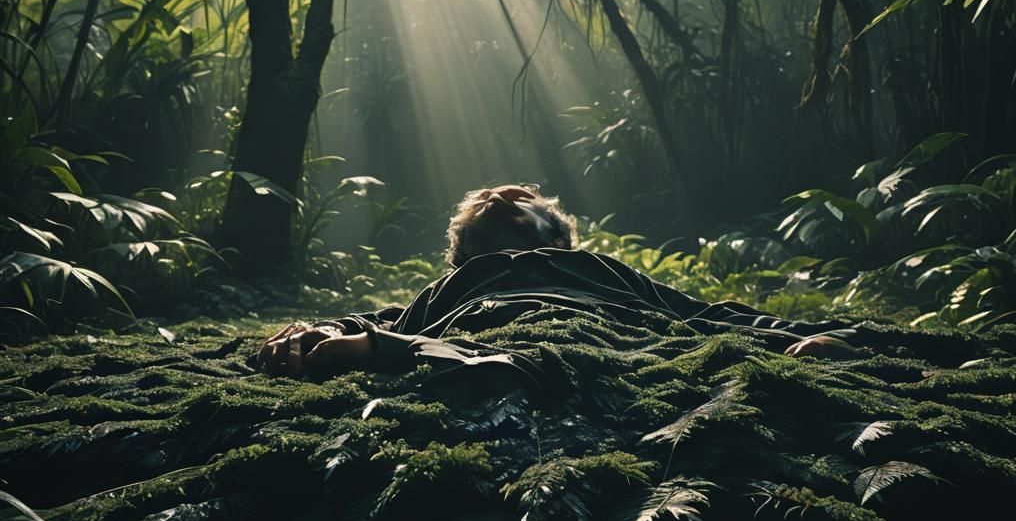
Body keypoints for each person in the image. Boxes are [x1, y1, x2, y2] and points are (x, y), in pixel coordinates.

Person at [255, 185, 856, 383]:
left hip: (613, 330)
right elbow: (392, 316)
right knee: (453, 347)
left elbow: (699, 312)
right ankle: (407, 358)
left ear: (557, 237)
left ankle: (402, 359)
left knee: (654, 345)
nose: (510, 210)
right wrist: (325, 332)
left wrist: (785, 337)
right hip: (476, 328)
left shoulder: (596, 268)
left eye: (525, 214)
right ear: (469, 251)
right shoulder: (463, 281)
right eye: (497, 222)